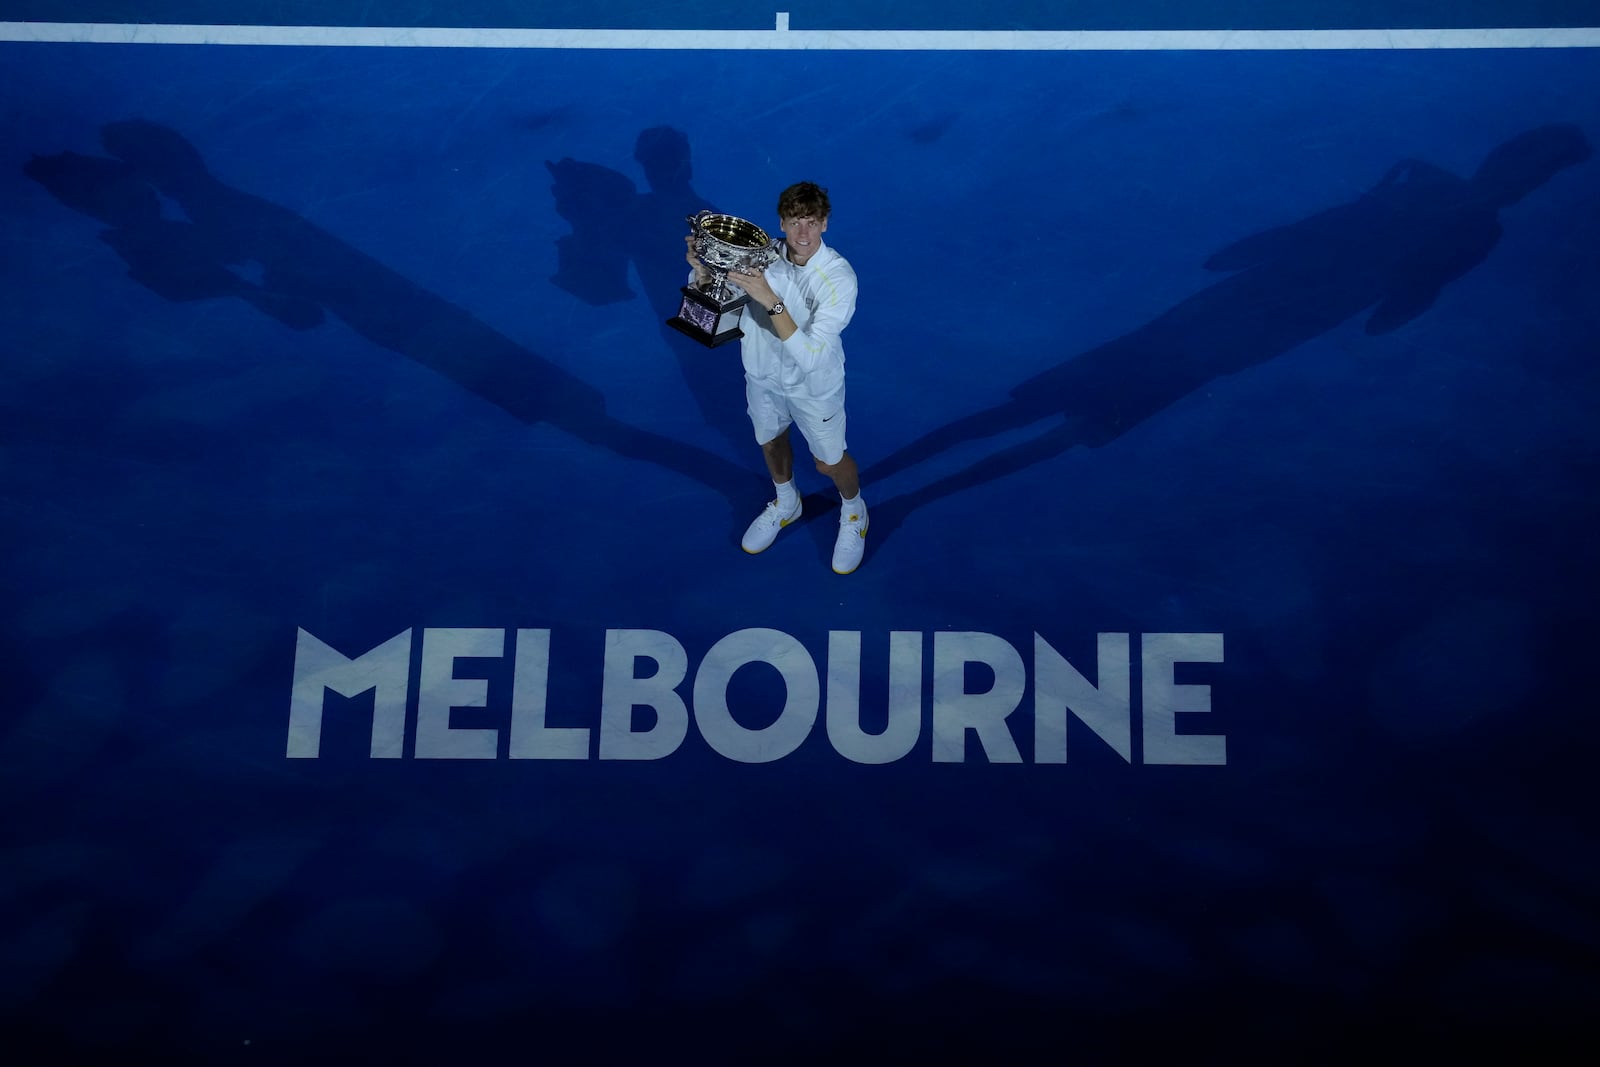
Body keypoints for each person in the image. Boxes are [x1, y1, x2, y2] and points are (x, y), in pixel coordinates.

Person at [686, 181, 868, 574]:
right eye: (794, 222)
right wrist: (703, 274)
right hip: (762, 378)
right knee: (770, 443)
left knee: (829, 463)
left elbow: (811, 358)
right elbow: (710, 324)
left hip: (814, 387)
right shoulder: (757, 257)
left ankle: (854, 512)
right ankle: (787, 503)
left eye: (812, 222)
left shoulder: (839, 278)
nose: (803, 233)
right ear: (781, 224)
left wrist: (770, 298)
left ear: (825, 224)